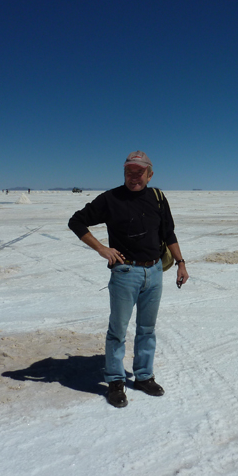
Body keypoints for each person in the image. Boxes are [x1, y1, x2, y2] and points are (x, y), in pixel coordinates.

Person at [68, 151, 189, 408]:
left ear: (150, 173)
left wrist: (180, 263)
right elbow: (76, 221)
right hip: (125, 273)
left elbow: (169, 233)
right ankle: (114, 381)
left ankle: (144, 376)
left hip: (154, 271)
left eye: (139, 172)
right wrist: (102, 249)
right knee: (118, 331)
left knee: (147, 329)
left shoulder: (157, 197)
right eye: (129, 172)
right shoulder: (111, 199)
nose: (134, 177)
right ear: (124, 172)